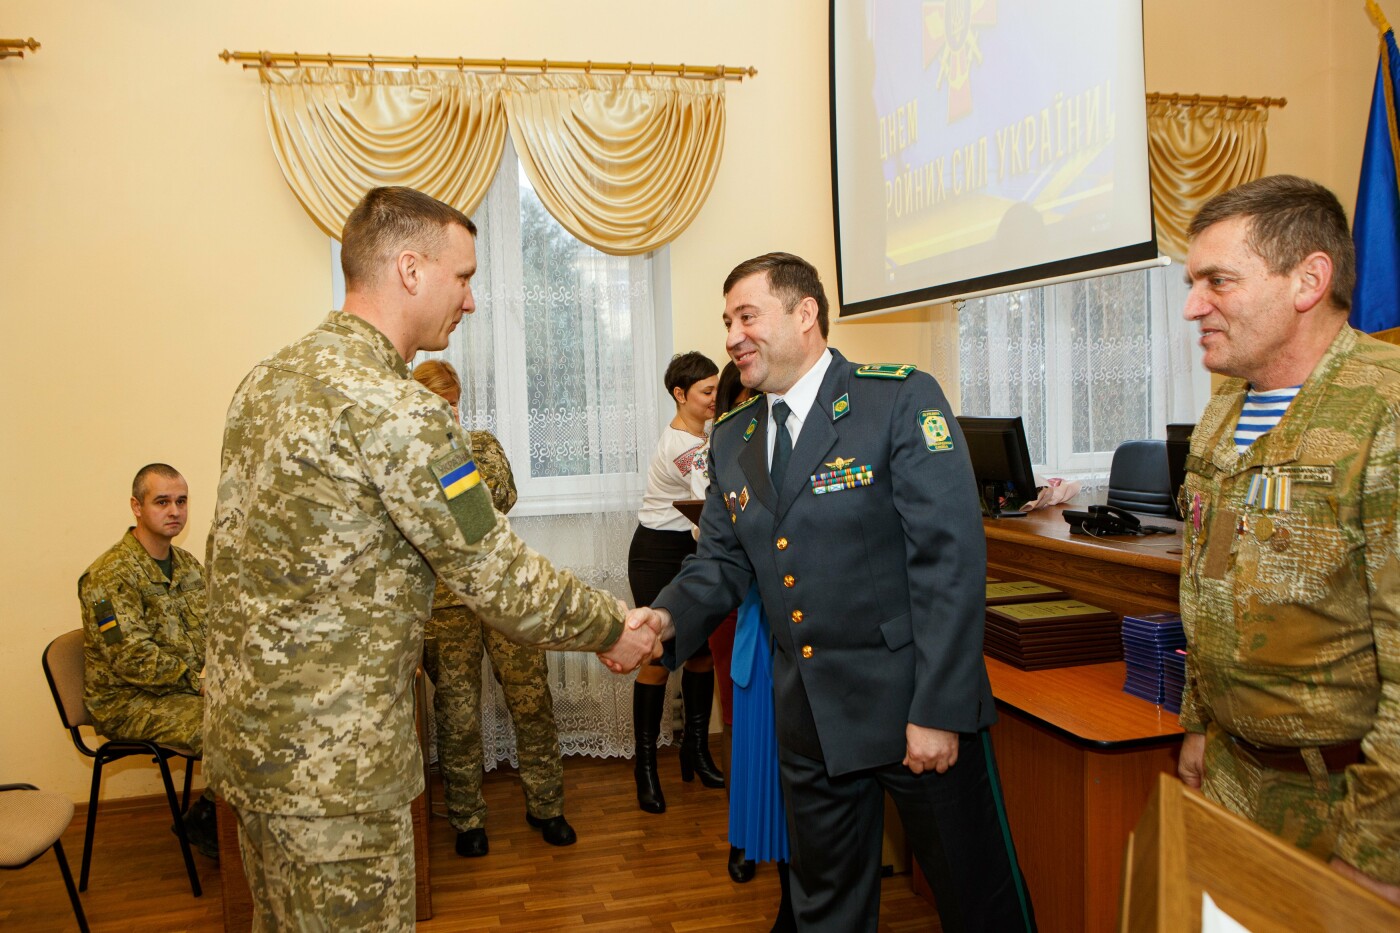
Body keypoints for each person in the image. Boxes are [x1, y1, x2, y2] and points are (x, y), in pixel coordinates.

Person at [204, 185, 658, 931]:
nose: (471, 300)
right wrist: (614, 626)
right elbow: (497, 572)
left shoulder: (265, 383)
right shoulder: (400, 409)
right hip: (336, 771)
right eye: (465, 276)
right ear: (410, 270)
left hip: (251, 751)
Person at [616, 253, 1036, 932]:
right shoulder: (735, 435)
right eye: (727, 321)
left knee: (977, 899)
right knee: (824, 910)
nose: (731, 337)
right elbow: (719, 563)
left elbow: (950, 561)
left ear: (804, 313)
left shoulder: (896, 399)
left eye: (746, 316)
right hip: (810, 718)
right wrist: (663, 618)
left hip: (912, 708)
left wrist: (938, 708)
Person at [1176, 174, 1400, 905]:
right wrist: (1201, 727)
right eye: (1192, 281)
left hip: (1345, 806)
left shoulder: (1385, 409)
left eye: (1218, 281)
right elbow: (1205, 587)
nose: (1192, 306)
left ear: (1309, 279)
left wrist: (1377, 852)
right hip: (1236, 785)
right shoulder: (1221, 412)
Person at [412, 359, 576, 856]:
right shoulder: (406, 456)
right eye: (437, 404)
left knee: (531, 699)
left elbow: (500, 499)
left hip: (504, 592)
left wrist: (456, 456)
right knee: (457, 715)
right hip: (445, 603)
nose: (448, 412)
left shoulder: (479, 444)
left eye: (453, 404)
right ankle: (467, 821)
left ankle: (547, 806)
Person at [692, 363, 793, 929]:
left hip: (813, 648)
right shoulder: (729, 450)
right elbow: (719, 559)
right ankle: (755, 851)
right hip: (756, 629)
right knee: (760, 764)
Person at [79, 463, 217, 859]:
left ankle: (212, 814)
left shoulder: (188, 565)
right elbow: (131, 658)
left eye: (181, 501)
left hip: (184, 689)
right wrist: (202, 682)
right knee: (230, 728)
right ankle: (211, 821)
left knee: (268, 710)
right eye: (162, 502)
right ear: (136, 507)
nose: (174, 511)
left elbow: (217, 628)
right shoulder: (109, 575)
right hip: (129, 701)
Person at [627, 351, 724, 814]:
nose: (714, 398)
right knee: (659, 656)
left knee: (702, 653)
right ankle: (645, 768)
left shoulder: (706, 435)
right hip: (657, 553)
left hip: (692, 550)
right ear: (680, 395)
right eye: (706, 391)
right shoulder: (683, 446)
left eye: (716, 388)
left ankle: (696, 750)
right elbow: (712, 510)